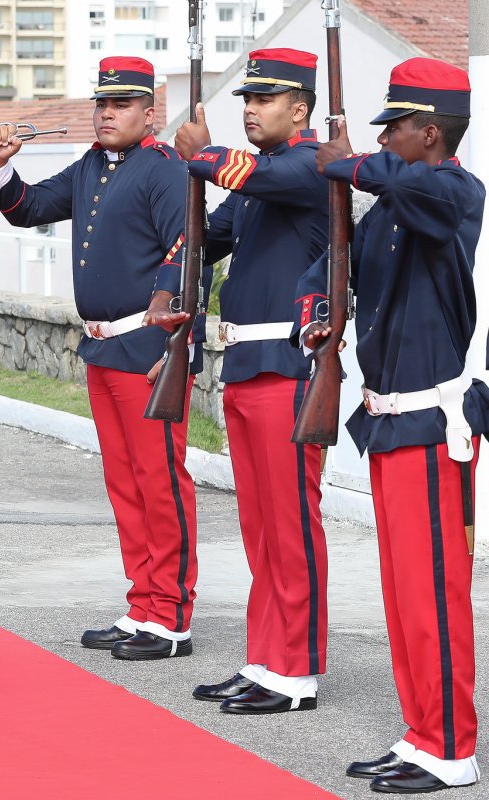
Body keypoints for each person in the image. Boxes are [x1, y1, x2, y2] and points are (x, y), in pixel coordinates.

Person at [297, 58, 487, 794]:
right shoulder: (394, 204)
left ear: (430, 132)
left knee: (435, 596)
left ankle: (451, 747)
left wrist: (350, 163)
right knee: (404, 594)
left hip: (435, 427)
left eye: (397, 126)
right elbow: (332, 265)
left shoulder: (451, 192)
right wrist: (315, 311)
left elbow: (406, 185)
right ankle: (421, 733)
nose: (387, 139)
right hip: (387, 427)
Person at [0, 56, 202, 661]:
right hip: (101, 346)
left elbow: (186, 251)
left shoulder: (163, 170)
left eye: (121, 105)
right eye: (101, 104)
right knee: (124, 484)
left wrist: (174, 341)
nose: (107, 114)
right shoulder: (90, 166)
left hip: (145, 346)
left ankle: (172, 613)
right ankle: (143, 604)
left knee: (160, 483)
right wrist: (1, 168)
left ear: (147, 113)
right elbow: (29, 206)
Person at [167, 49, 329, 715]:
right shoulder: (262, 185)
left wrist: (199, 158)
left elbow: (240, 173)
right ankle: (265, 659)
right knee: (261, 529)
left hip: (290, 370)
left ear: (300, 109)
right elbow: (206, 236)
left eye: (266, 101)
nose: (252, 109)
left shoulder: (310, 167)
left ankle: (297, 671)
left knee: (291, 528)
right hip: (247, 369)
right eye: (247, 100)